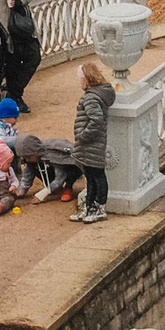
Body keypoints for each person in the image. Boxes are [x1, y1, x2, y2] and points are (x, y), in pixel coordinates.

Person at [71, 61, 115, 224]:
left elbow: (96, 120)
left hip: (90, 142)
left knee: (95, 175)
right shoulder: (99, 94)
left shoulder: (90, 97)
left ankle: (98, 207)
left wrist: (83, 136)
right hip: (94, 142)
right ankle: (91, 206)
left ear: (86, 79)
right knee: (92, 174)